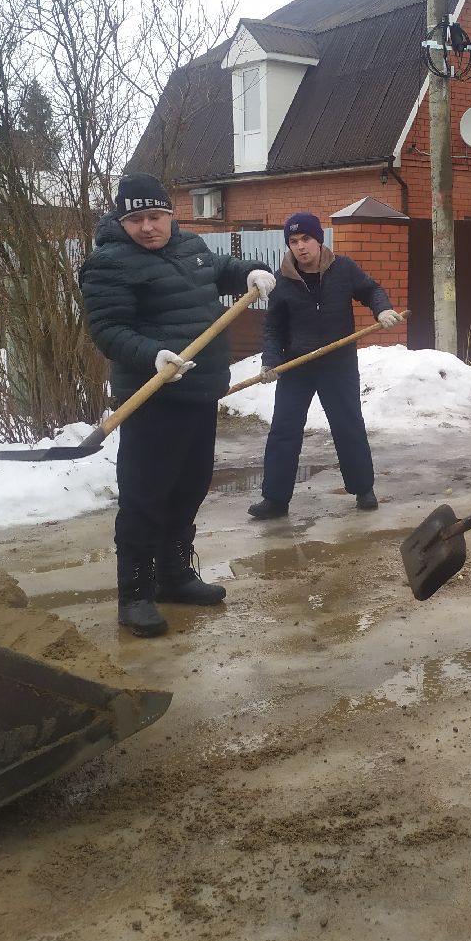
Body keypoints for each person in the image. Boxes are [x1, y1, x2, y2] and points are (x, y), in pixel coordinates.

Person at [80, 172, 276, 637]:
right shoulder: (108, 264)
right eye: (136, 220)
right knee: (146, 497)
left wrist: (249, 271)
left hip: (200, 392)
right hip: (152, 397)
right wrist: (152, 355)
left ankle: (175, 575)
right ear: (121, 222)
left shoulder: (190, 246)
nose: (148, 227)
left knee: (189, 487)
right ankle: (136, 595)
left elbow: (220, 270)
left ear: (171, 215)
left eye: (156, 216)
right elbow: (107, 329)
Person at [246, 211, 402, 520]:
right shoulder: (282, 281)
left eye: (306, 239)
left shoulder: (342, 269)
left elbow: (371, 289)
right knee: (284, 430)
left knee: (348, 425)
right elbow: (273, 327)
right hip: (297, 366)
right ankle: (275, 499)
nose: (300, 246)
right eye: (293, 241)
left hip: (338, 363)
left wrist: (382, 310)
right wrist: (270, 361)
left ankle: (363, 489)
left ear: (318, 239)